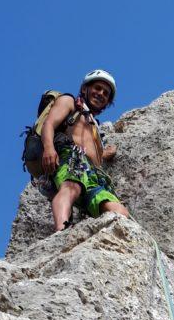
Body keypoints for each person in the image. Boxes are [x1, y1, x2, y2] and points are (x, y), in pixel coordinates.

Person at [40, 69, 130, 231]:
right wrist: (48, 148)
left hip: (93, 175)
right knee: (71, 188)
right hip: (72, 159)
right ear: (84, 89)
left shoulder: (93, 124)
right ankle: (61, 231)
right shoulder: (69, 102)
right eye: (97, 88)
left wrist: (105, 154)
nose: (101, 93)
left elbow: (93, 153)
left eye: (106, 93)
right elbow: (49, 124)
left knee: (120, 211)